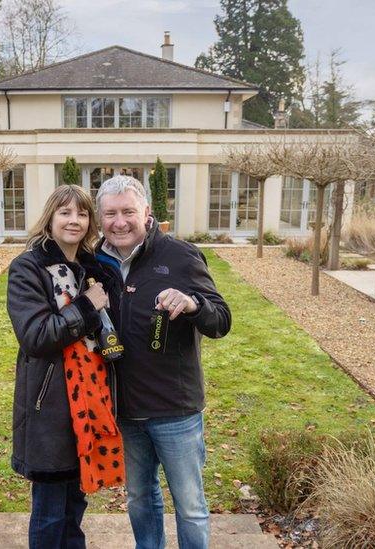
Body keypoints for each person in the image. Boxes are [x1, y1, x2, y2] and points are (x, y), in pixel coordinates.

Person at [94, 175, 232, 549]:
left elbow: (221, 320)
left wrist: (193, 305)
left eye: (128, 212)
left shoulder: (180, 255)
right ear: (99, 217)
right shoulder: (94, 263)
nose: (119, 222)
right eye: (110, 213)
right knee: (140, 499)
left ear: (147, 213)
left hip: (175, 410)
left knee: (189, 505)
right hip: (125, 409)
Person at [7, 184, 125, 549]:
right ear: (51, 218)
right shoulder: (29, 268)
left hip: (90, 403)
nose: (74, 220)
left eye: (82, 213)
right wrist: (87, 307)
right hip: (52, 407)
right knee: (50, 513)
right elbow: (36, 336)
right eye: (65, 212)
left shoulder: (93, 270)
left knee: (75, 506)